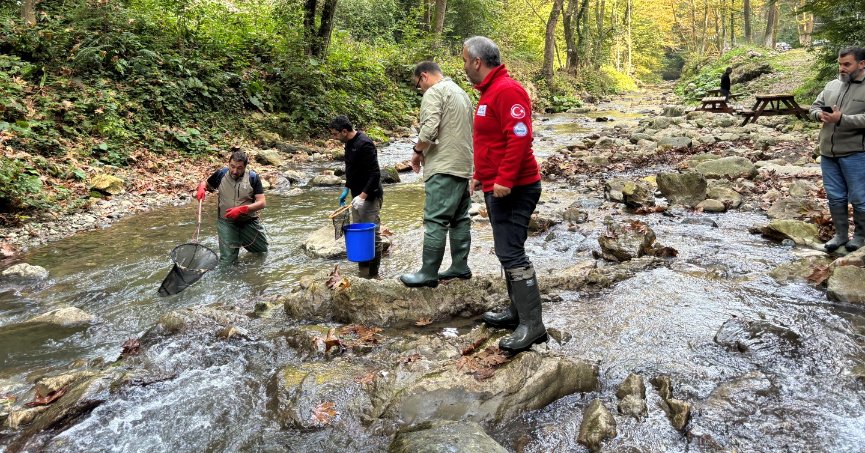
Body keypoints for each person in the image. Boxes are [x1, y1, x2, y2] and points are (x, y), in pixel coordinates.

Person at [462, 36, 546, 353]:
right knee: (505, 251)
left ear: (477, 62)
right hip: (495, 184)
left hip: (516, 187)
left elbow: (520, 137)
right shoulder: (489, 93)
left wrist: (505, 179)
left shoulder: (507, 90)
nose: (464, 67)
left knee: (511, 253)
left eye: (465, 61)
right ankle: (517, 313)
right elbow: (491, 144)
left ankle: (533, 326)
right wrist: (479, 175)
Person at [399, 61, 475, 288]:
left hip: (443, 166)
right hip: (464, 165)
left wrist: (416, 152)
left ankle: (428, 272)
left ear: (424, 77)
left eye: (417, 85)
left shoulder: (434, 92)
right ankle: (460, 266)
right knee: (461, 219)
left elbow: (430, 129)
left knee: (436, 220)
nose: (419, 90)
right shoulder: (462, 93)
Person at [810, 46, 865, 252]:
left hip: (856, 153)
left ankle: (860, 236)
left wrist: (842, 119)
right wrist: (819, 115)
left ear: (862, 64)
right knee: (835, 196)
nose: (842, 68)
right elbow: (814, 107)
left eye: (847, 64)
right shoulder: (832, 85)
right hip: (828, 153)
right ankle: (841, 235)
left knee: (860, 198)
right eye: (840, 64)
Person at [329, 115, 384, 278]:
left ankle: (374, 274)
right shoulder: (348, 143)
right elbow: (351, 169)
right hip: (356, 195)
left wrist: (362, 196)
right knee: (360, 234)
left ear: (344, 131)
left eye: (335, 134)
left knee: (373, 235)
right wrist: (347, 188)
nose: (334, 137)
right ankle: (363, 270)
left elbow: (375, 174)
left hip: (370, 196)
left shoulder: (364, 144)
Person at [195, 150, 268, 264]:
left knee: (261, 252)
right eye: (232, 166)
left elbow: (262, 202)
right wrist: (201, 187)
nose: (234, 171)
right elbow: (207, 184)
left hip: (248, 221)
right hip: (226, 222)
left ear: (245, 167)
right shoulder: (221, 174)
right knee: (227, 261)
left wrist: (243, 209)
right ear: (228, 164)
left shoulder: (253, 178)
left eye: (239, 168)